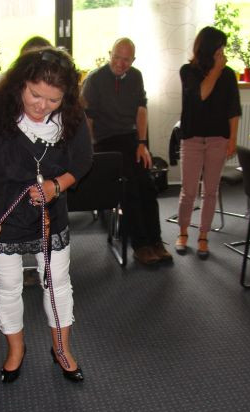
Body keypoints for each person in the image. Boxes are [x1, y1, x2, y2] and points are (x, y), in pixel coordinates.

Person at [0, 46, 92, 383]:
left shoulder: (72, 117)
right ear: (20, 83)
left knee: (58, 285)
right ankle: (16, 349)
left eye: (53, 100)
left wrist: (56, 185)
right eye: (35, 95)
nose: (42, 106)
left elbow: (82, 162)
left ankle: (61, 349)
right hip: (3, 218)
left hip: (50, 216)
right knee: (7, 288)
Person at [81, 37, 172, 266]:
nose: (121, 64)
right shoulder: (95, 79)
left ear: (133, 60)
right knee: (129, 186)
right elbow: (87, 118)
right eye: (117, 58)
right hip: (105, 141)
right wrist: (90, 149)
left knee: (147, 185)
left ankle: (156, 241)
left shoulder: (136, 76)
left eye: (126, 60)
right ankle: (140, 245)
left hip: (131, 139)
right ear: (109, 53)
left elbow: (141, 111)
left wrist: (142, 143)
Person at [175, 26, 241, 259]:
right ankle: (183, 232)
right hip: (192, 138)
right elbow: (200, 95)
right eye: (219, 48)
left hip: (218, 139)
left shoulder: (229, 74)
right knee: (188, 191)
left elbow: (234, 109)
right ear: (209, 49)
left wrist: (232, 138)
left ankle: (203, 235)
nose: (223, 53)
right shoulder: (188, 71)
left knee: (210, 191)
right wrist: (215, 70)